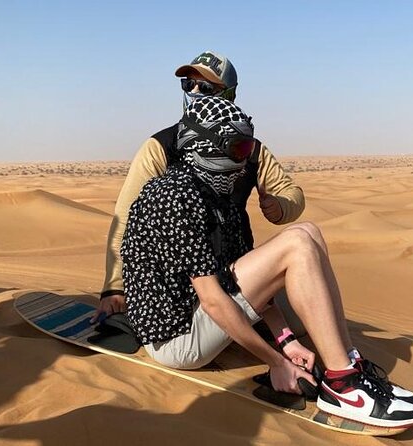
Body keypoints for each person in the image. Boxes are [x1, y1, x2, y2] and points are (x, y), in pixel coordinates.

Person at [119, 94, 413, 429]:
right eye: (239, 149)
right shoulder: (173, 194)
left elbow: (244, 282)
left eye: (247, 149)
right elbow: (214, 299)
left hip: (203, 316)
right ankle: (343, 389)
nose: (246, 160)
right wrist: (277, 361)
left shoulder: (216, 193)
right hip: (176, 339)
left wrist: (287, 340)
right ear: (205, 146)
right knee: (295, 245)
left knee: (307, 232)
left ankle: (349, 366)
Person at [93, 51, 305, 334]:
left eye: (205, 87)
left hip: (232, 270)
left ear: (229, 95)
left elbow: (291, 192)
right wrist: (114, 288)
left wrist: (280, 206)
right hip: (177, 284)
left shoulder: (248, 149)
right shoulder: (162, 146)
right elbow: (125, 218)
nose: (194, 92)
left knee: (302, 321)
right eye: (187, 85)